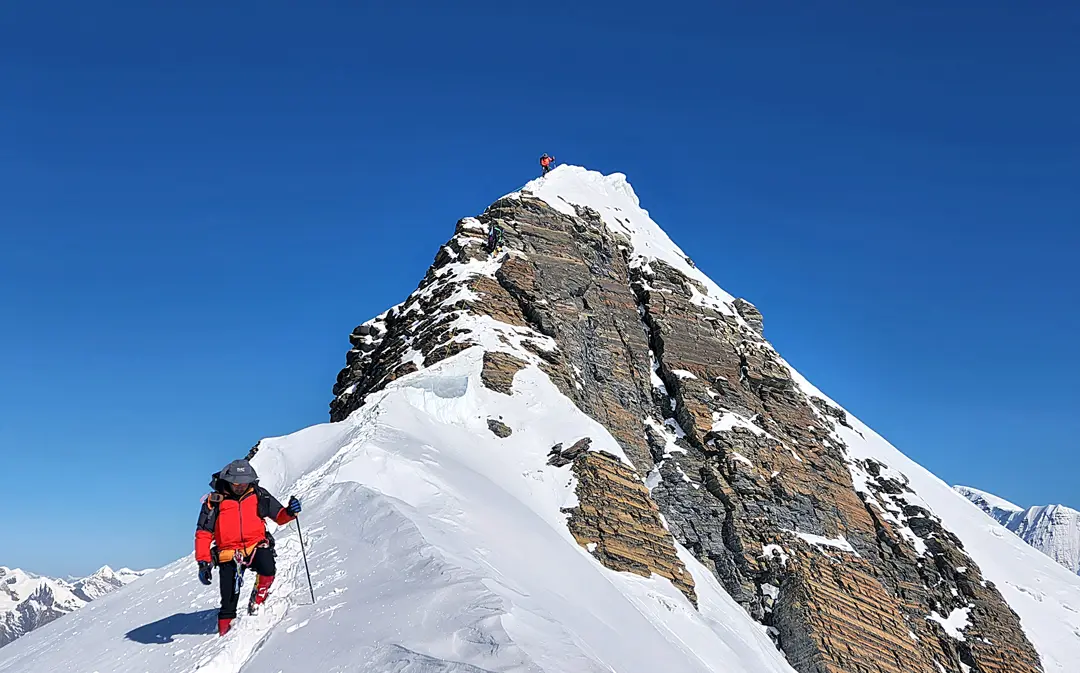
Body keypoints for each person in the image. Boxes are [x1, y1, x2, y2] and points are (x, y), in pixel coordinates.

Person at [195, 459, 302, 636]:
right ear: (228, 481)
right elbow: (203, 533)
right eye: (236, 483)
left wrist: (290, 512)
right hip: (228, 553)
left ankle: (257, 600)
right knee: (228, 602)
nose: (240, 487)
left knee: (268, 568)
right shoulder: (214, 501)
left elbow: (280, 516)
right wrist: (203, 562)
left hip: (256, 545)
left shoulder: (260, 495)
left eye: (244, 483)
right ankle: (224, 636)